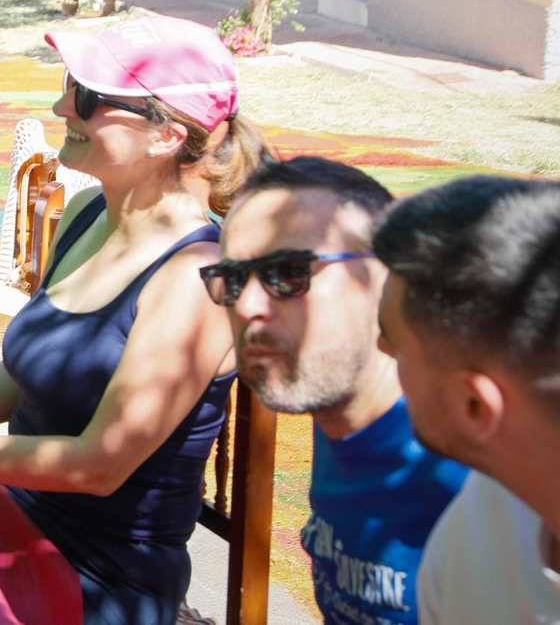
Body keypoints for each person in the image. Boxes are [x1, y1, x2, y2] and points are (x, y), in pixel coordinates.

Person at [0, 14, 270, 625]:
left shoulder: (194, 280)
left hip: (98, 577)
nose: (63, 105)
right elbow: (22, 376)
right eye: (70, 85)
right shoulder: (89, 213)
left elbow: (98, 465)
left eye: (88, 97)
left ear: (167, 135)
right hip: (13, 523)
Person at [211, 156, 467, 625]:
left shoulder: (481, 468)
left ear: (388, 277)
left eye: (287, 273)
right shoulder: (335, 407)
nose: (247, 305)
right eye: (231, 280)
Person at [372, 177, 560, 624]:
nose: (380, 347)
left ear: (474, 406)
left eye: (394, 341)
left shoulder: (486, 521)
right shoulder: (486, 511)